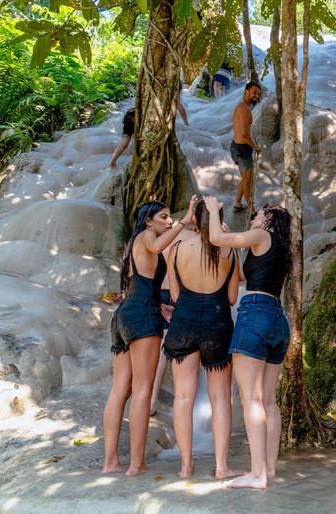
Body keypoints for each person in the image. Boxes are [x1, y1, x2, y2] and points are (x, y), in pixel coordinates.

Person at [102, 195, 198, 476]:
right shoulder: (147, 236)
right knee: (143, 390)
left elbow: (140, 285)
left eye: (170, 217)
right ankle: (136, 464)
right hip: (141, 317)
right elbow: (159, 245)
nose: (168, 222)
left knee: (120, 390)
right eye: (164, 217)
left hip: (124, 315)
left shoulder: (134, 244)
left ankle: (110, 463)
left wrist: (160, 304)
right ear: (148, 220)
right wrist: (184, 220)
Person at [204, 196, 292, 490]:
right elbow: (241, 275)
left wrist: (214, 211)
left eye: (257, 215)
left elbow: (215, 237)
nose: (252, 218)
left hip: (254, 314)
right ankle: (268, 467)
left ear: (268, 219)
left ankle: (257, 475)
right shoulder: (278, 248)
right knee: (268, 400)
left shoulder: (261, 234)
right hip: (278, 319)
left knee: (251, 399)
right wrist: (230, 242)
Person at [162, 200, 241, 480]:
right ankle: (221, 467)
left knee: (183, 397)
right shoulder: (228, 250)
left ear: (194, 221)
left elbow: (174, 294)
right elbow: (232, 298)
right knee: (221, 398)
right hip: (217, 323)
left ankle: (185, 466)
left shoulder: (177, 248)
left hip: (183, 322)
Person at [149, 219, 198, 417]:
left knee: (155, 347)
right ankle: (179, 403)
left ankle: (148, 399)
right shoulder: (194, 238)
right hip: (179, 294)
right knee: (170, 353)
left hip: (158, 293)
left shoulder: (165, 237)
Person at [230, 81, 262, 213]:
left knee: (246, 178)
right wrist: (255, 147)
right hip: (241, 149)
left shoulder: (244, 108)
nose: (257, 96)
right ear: (246, 92)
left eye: (258, 94)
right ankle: (252, 212)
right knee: (248, 181)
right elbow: (243, 135)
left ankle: (238, 203)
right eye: (254, 93)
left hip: (242, 148)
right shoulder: (243, 109)